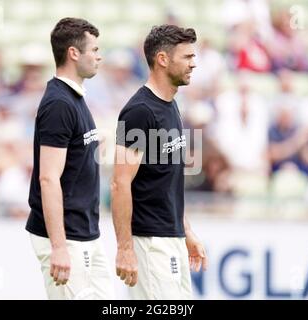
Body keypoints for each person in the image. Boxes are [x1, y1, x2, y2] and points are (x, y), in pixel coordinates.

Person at [111, 24, 208, 300]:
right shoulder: (139, 111)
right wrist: (125, 249)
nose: (194, 63)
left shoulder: (171, 104)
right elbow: (119, 184)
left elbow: (167, 182)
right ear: (162, 59)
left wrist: (185, 231)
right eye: (187, 57)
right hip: (150, 244)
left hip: (171, 239)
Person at [25, 17, 114, 300]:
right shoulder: (59, 104)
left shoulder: (75, 97)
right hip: (67, 238)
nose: (99, 56)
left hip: (87, 233)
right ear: (74, 53)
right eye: (94, 49)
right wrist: (59, 247)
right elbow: (48, 178)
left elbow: (73, 161)